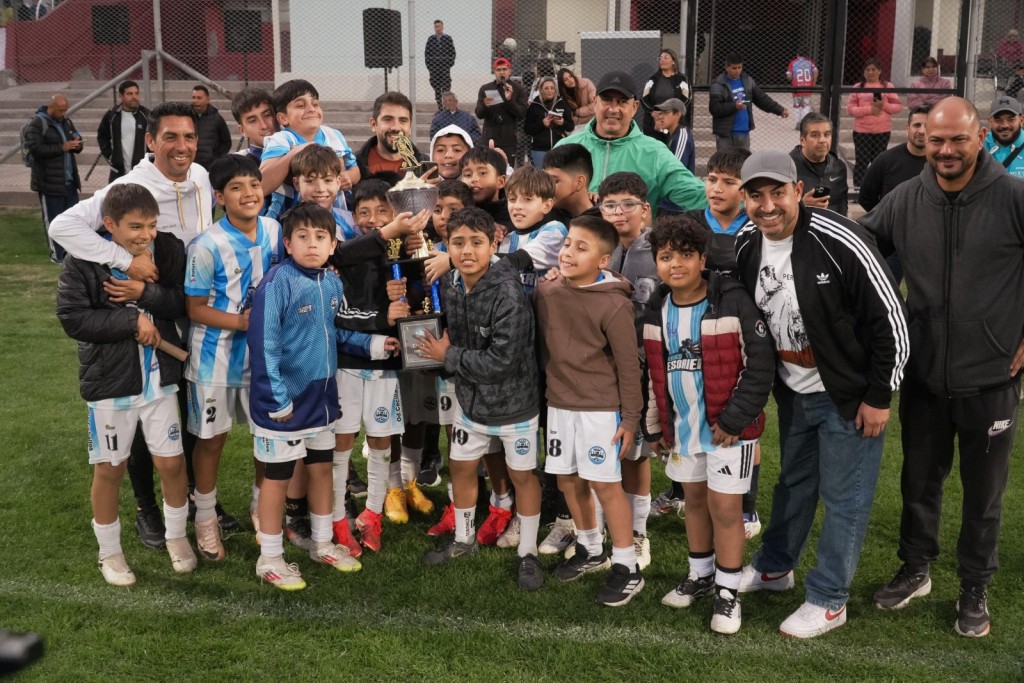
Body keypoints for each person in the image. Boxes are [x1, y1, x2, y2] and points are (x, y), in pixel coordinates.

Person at [860, 97, 1024, 639]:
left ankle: (974, 585)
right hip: (924, 374)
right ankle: (916, 567)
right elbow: (861, 247)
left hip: (992, 375)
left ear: (980, 137)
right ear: (922, 140)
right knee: (919, 481)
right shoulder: (906, 198)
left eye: (958, 139)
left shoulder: (1014, 197)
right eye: (937, 140)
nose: (947, 150)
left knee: (984, 493)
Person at [734, 149, 909, 639]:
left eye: (777, 193)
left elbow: (891, 321)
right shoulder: (747, 241)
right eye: (755, 195)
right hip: (792, 390)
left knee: (844, 496)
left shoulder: (842, 238)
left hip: (848, 395)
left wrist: (879, 395)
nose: (767, 205)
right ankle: (774, 567)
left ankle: (830, 598)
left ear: (797, 190)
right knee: (793, 483)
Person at [48, 101, 222, 547]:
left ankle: (194, 500)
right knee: (147, 412)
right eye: (170, 137)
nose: (181, 146)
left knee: (184, 412)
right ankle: (147, 508)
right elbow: (63, 227)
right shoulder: (129, 186)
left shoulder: (200, 176)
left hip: (187, 306)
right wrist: (124, 260)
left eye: (188, 137)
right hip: (151, 309)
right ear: (150, 141)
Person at [249, 201, 399, 590]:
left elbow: (337, 333)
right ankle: (269, 558)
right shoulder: (276, 282)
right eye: (303, 237)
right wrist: (276, 398)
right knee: (277, 479)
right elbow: (264, 345)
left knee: (320, 470)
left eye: (321, 237)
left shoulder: (331, 282)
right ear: (287, 242)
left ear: (334, 245)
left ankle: (322, 543)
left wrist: (377, 344)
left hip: (322, 401)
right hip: (281, 406)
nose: (312, 244)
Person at [55, 183, 196, 586]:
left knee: (171, 462)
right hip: (110, 386)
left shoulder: (165, 251)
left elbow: (179, 303)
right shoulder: (82, 260)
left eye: (151, 225)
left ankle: (176, 537)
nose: (145, 235)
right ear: (109, 224)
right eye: (135, 226)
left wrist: (145, 294)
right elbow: (73, 319)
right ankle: (110, 553)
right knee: (110, 469)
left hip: (160, 382)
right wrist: (131, 320)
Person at [643, 213, 774, 634]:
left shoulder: (731, 300)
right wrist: (654, 426)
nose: (675, 264)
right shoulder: (655, 310)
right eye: (665, 256)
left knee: (726, 509)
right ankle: (700, 575)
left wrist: (734, 419)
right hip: (683, 431)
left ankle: (728, 590)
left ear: (703, 260)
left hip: (729, 432)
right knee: (694, 504)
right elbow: (652, 373)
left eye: (685, 255)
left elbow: (760, 365)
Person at [413, 207, 546, 590]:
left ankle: (528, 551)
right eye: (458, 243)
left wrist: (446, 357)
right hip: (470, 401)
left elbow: (502, 361)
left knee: (522, 475)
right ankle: (463, 539)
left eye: (476, 242)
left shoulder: (508, 293)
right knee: (461, 467)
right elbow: (450, 336)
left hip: (514, 404)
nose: (467, 250)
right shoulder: (452, 284)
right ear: (447, 246)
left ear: (494, 244)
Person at [535, 215, 645, 607]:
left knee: (605, 485)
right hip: (559, 404)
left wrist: (630, 419)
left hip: (600, 410)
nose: (568, 252)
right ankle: (590, 547)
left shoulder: (615, 304)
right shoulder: (546, 291)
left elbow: (630, 367)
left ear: (603, 260)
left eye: (581, 248)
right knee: (567, 480)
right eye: (567, 244)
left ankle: (628, 566)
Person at [185, 154, 284, 563]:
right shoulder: (206, 245)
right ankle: (205, 519)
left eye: (254, 184)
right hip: (215, 360)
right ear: (220, 197)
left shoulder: (276, 230)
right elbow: (194, 309)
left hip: (264, 362)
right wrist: (244, 323)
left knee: (266, 440)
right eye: (237, 188)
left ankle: (262, 507)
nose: (249, 193)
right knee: (212, 442)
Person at [596, 172, 657, 570]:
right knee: (605, 447)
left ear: (645, 209)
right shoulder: (599, 247)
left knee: (635, 451)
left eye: (628, 204)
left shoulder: (657, 250)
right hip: (602, 367)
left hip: (642, 366)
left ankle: (638, 533)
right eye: (610, 205)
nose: (619, 212)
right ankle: (601, 528)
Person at [556, 71, 706, 218]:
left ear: (634, 107)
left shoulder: (655, 153)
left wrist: (723, 195)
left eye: (622, 102)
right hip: (572, 240)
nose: (613, 109)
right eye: (607, 100)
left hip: (633, 242)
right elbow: (542, 196)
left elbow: (694, 194)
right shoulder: (567, 147)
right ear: (595, 102)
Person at [260, 79, 360, 220]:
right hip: (291, 223)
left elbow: (354, 170)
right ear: (283, 118)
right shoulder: (282, 140)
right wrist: (295, 153)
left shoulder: (334, 135)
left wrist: (348, 177)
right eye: (300, 105)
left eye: (315, 104)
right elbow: (262, 185)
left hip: (336, 218)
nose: (311, 109)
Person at [26, 93, 82, 264]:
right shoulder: (37, 124)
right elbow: (36, 149)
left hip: (69, 181)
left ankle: (72, 254)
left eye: (65, 110)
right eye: (60, 110)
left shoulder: (66, 121)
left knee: (73, 220)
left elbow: (74, 143)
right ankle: (56, 255)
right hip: (49, 183)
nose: (63, 113)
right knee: (54, 220)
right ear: (51, 107)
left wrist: (77, 144)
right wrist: (62, 147)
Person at [709, 54, 789, 151]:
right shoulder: (718, 84)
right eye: (734, 68)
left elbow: (762, 99)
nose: (737, 71)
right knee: (725, 164)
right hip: (726, 134)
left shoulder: (747, 80)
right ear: (726, 67)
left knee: (743, 164)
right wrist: (734, 106)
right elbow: (715, 108)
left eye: (740, 67)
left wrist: (779, 110)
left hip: (744, 132)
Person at [859, 104, 930, 213]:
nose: (921, 131)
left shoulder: (940, 163)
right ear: (908, 128)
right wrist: (884, 219)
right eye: (917, 125)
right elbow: (865, 198)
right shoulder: (885, 160)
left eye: (927, 126)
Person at [847, 58, 903, 187]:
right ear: (864, 72)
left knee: (879, 161)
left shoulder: (888, 86)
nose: (870, 72)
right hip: (862, 131)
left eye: (873, 69)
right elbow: (850, 109)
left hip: (882, 131)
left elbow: (898, 107)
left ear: (879, 71)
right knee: (862, 160)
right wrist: (869, 110)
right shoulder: (857, 87)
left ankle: (877, 188)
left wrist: (883, 106)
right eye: (867, 69)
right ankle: (858, 188)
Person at [355, 91, 428, 185]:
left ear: (410, 127)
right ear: (373, 124)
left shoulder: (425, 165)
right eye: (388, 119)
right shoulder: (355, 166)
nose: (396, 127)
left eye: (403, 120)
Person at [789, 113, 848, 216]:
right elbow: (776, 210)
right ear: (802, 140)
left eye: (827, 134)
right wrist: (802, 205)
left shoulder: (838, 167)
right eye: (815, 135)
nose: (822, 140)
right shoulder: (788, 167)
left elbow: (842, 206)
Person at [476, 57, 527, 165]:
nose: (501, 72)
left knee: (507, 169)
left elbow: (521, 114)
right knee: (486, 167)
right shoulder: (485, 88)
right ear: (494, 72)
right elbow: (479, 114)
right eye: (498, 70)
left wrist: (509, 100)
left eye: (504, 69)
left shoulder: (518, 89)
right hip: (489, 137)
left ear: (510, 71)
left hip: (508, 138)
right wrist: (485, 105)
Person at [97, 80, 149, 183]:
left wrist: (149, 160)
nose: (134, 97)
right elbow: (102, 136)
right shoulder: (112, 116)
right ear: (121, 96)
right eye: (129, 94)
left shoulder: (147, 116)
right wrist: (111, 156)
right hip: (118, 172)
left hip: (142, 172)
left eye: (136, 93)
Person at [524, 76, 574, 168]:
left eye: (552, 88)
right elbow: (528, 129)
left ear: (555, 90)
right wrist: (542, 124)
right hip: (539, 149)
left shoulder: (562, 103)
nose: (549, 91)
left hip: (559, 148)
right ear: (541, 90)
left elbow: (571, 126)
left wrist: (562, 122)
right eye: (546, 88)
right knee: (542, 177)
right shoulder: (534, 106)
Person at [641, 48, 691, 134]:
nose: (662, 60)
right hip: (654, 123)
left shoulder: (682, 79)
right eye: (660, 58)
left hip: (674, 123)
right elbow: (644, 98)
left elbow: (687, 98)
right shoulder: (653, 79)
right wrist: (653, 111)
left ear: (673, 61)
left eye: (666, 57)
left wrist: (672, 113)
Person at [542, 143, 595, 220]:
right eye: (544, 180)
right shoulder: (541, 217)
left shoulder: (606, 219)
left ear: (579, 183)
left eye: (553, 181)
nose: (545, 187)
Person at [190, 85, 232, 170]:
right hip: (189, 165)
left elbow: (226, 142)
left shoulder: (216, 118)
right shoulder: (186, 116)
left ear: (208, 100)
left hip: (209, 167)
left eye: (199, 98)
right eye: (193, 97)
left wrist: (215, 158)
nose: (195, 101)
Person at [231, 88, 276, 164]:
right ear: (243, 130)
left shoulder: (299, 150)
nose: (264, 125)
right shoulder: (237, 167)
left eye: (267, 115)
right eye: (252, 121)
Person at [983, 95, 1024, 179]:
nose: (1005, 125)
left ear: (1021, 120)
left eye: (1011, 119)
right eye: (998, 120)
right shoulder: (979, 147)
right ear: (990, 122)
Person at [652, 98, 695, 173]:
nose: (661, 116)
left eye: (665, 113)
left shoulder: (682, 135)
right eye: (661, 113)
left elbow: (676, 171)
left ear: (678, 114)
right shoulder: (672, 134)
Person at [425, 19, 456, 110]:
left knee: (446, 88)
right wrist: (430, 67)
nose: (437, 28)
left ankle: (447, 107)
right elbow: (427, 54)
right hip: (434, 69)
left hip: (444, 68)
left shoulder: (447, 38)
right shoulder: (431, 39)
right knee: (437, 87)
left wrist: (448, 65)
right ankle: (440, 107)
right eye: (436, 26)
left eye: (439, 26)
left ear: (442, 27)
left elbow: (452, 53)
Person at [786, 52, 818, 128]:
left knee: (796, 106)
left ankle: (798, 123)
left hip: (797, 87)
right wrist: (814, 82)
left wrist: (791, 77)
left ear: (797, 54)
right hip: (807, 86)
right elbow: (816, 71)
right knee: (805, 105)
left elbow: (789, 76)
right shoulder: (810, 62)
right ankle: (804, 123)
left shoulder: (793, 63)